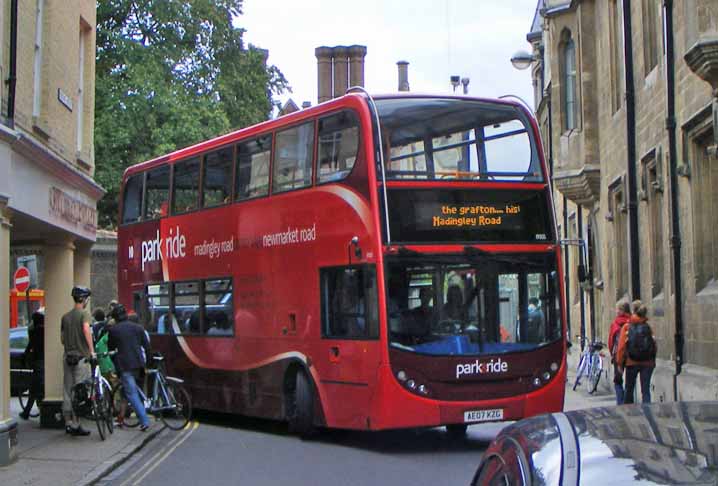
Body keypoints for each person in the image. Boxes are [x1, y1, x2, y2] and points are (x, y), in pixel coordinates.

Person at [107, 304, 151, 430]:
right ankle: (121, 417)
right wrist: (147, 364)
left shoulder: (113, 331)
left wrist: (117, 365)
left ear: (115, 318)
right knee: (131, 392)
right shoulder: (138, 328)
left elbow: (111, 351)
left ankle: (144, 421)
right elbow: (147, 347)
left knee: (132, 394)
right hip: (139, 364)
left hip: (125, 366)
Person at [61, 286, 95, 436]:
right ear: (84, 299)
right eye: (87, 298)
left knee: (67, 390)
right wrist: (91, 351)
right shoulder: (84, 314)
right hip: (81, 358)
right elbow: (86, 329)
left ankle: (67, 422)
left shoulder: (65, 317)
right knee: (79, 390)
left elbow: (62, 339)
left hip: (67, 356)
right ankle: (76, 424)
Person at [617, 300, 657, 404]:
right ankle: (648, 414)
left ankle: (629, 414)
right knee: (646, 391)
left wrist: (620, 364)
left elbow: (621, 348)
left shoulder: (627, 327)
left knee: (629, 390)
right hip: (648, 363)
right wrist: (652, 361)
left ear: (633, 311)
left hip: (631, 362)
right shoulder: (648, 327)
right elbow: (654, 345)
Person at [20, 308, 45, 420]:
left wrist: (25, 357)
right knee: (39, 388)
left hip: (38, 361)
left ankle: (27, 411)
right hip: (43, 361)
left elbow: (30, 346)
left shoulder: (34, 332)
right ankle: (29, 411)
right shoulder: (45, 331)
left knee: (34, 388)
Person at [608, 300, 632, 405]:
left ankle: (620, 402)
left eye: (618, 309)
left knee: (618, 380)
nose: (616, 311)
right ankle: (627, 402)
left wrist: (612, 354)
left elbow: (611, 341)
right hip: (631, 355)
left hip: (618, 354)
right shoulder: (632, 321)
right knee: (629, 381)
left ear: (622, 310)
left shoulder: (615, 324)